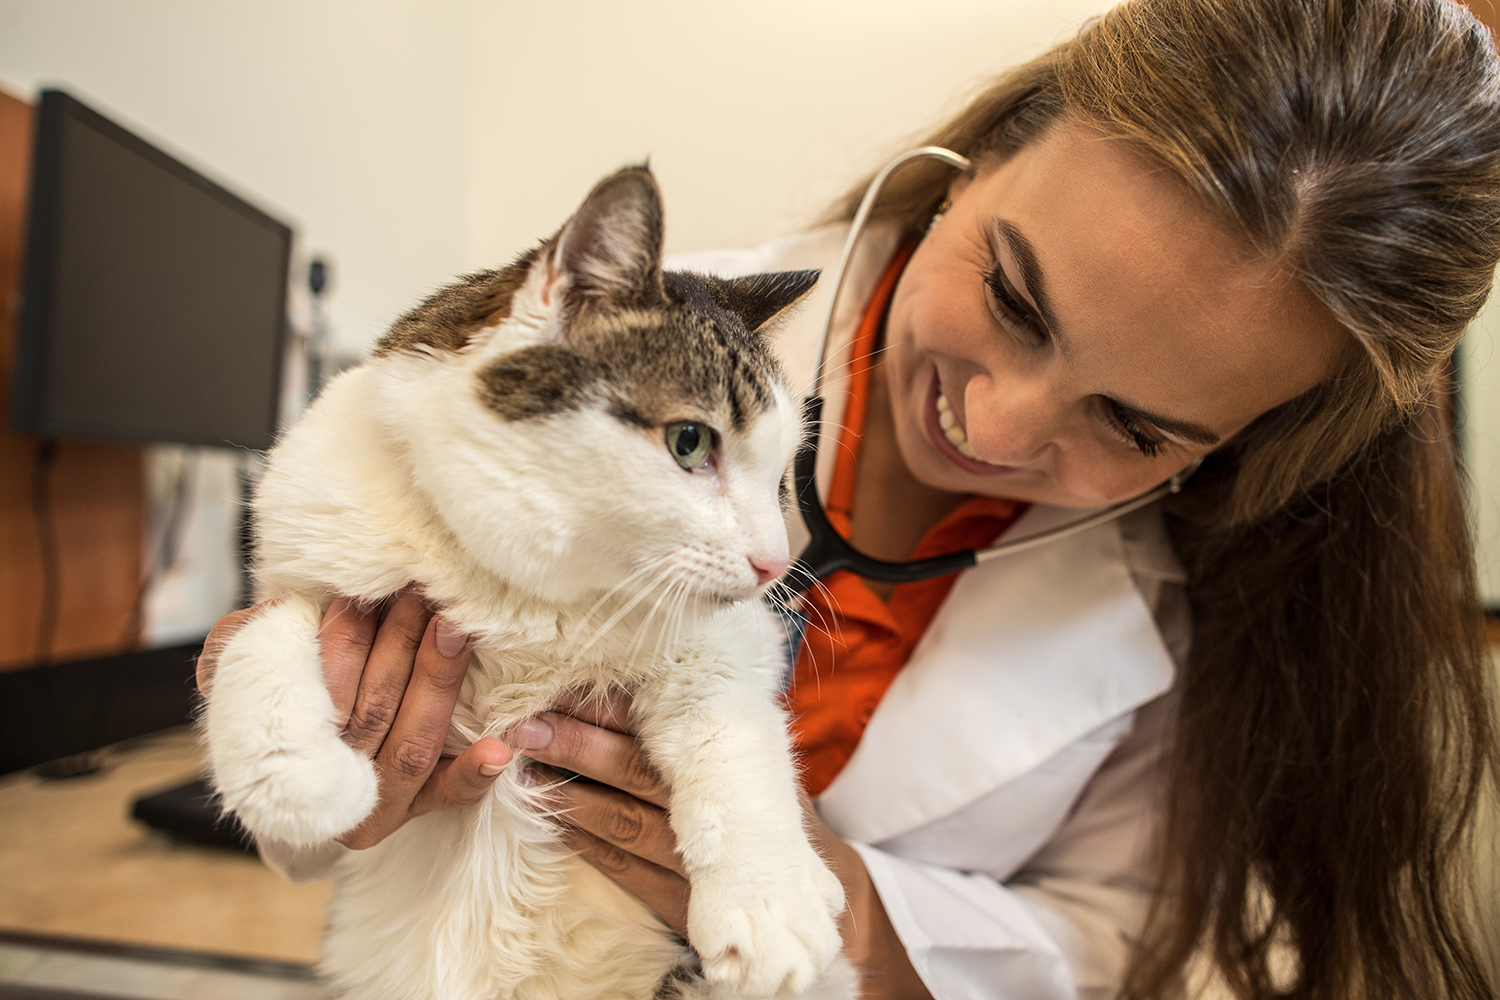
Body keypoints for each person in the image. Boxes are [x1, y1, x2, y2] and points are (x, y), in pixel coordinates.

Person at [198, 0, 1500, 996]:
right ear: (985, 155)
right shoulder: (644, 348)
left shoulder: (1208, 591)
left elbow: (1109, 935)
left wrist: (867, 921)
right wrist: (332, 731)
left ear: (1246, 443)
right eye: (1012, 299)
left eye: (1136, 424)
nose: (991, 426)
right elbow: (319, 802)